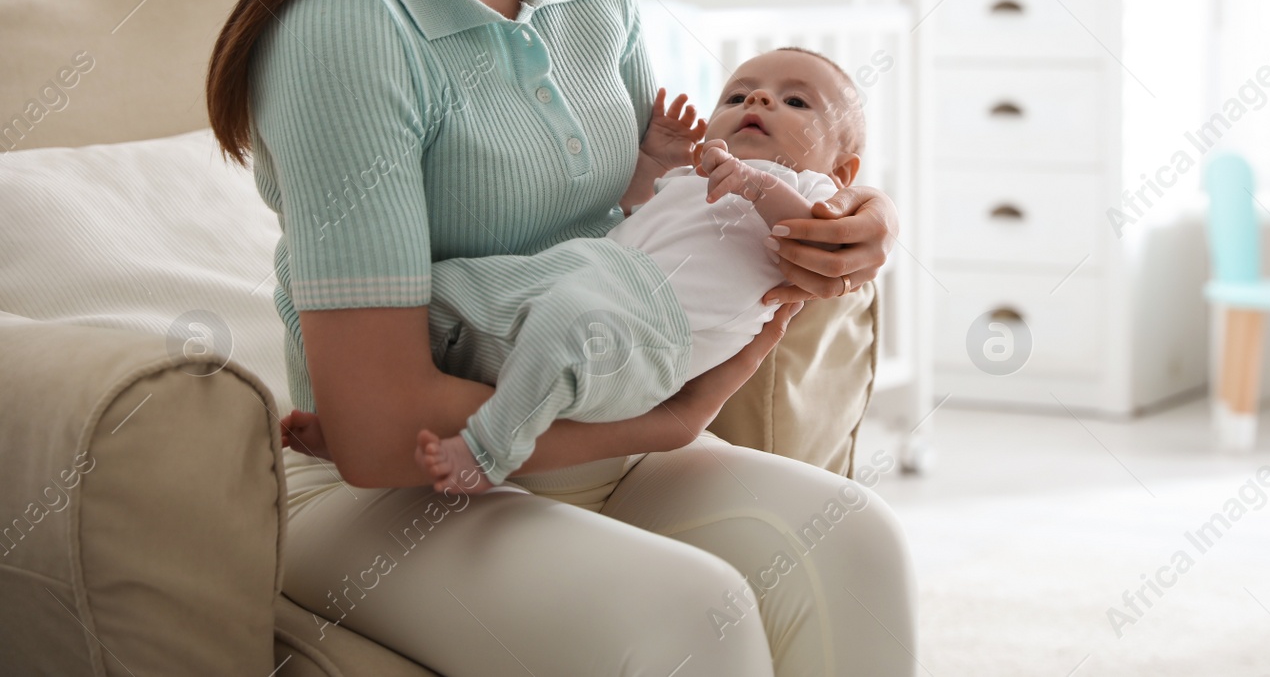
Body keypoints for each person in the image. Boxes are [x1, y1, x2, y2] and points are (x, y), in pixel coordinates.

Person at [204, 0, 915, 673]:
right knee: (691, 616)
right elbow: (376, 422)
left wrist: (858, 219)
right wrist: (668, 422)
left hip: (583, 420)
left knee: (858, 544)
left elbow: (668, 194)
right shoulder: (348, 32)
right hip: (401, 482)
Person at [282, 47, 870, 494]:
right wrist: (654, 162)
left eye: (795, 102)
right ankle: (345, 415)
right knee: (442, 291)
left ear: (842, 170)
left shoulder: (810, 189)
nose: (759, 102)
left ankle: (486, 454)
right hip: (590, 268)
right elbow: (631, 214)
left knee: (568, 322)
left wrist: (754, 184)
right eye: (738, 95)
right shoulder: (693, 178)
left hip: (656, 331)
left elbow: (809, 229)